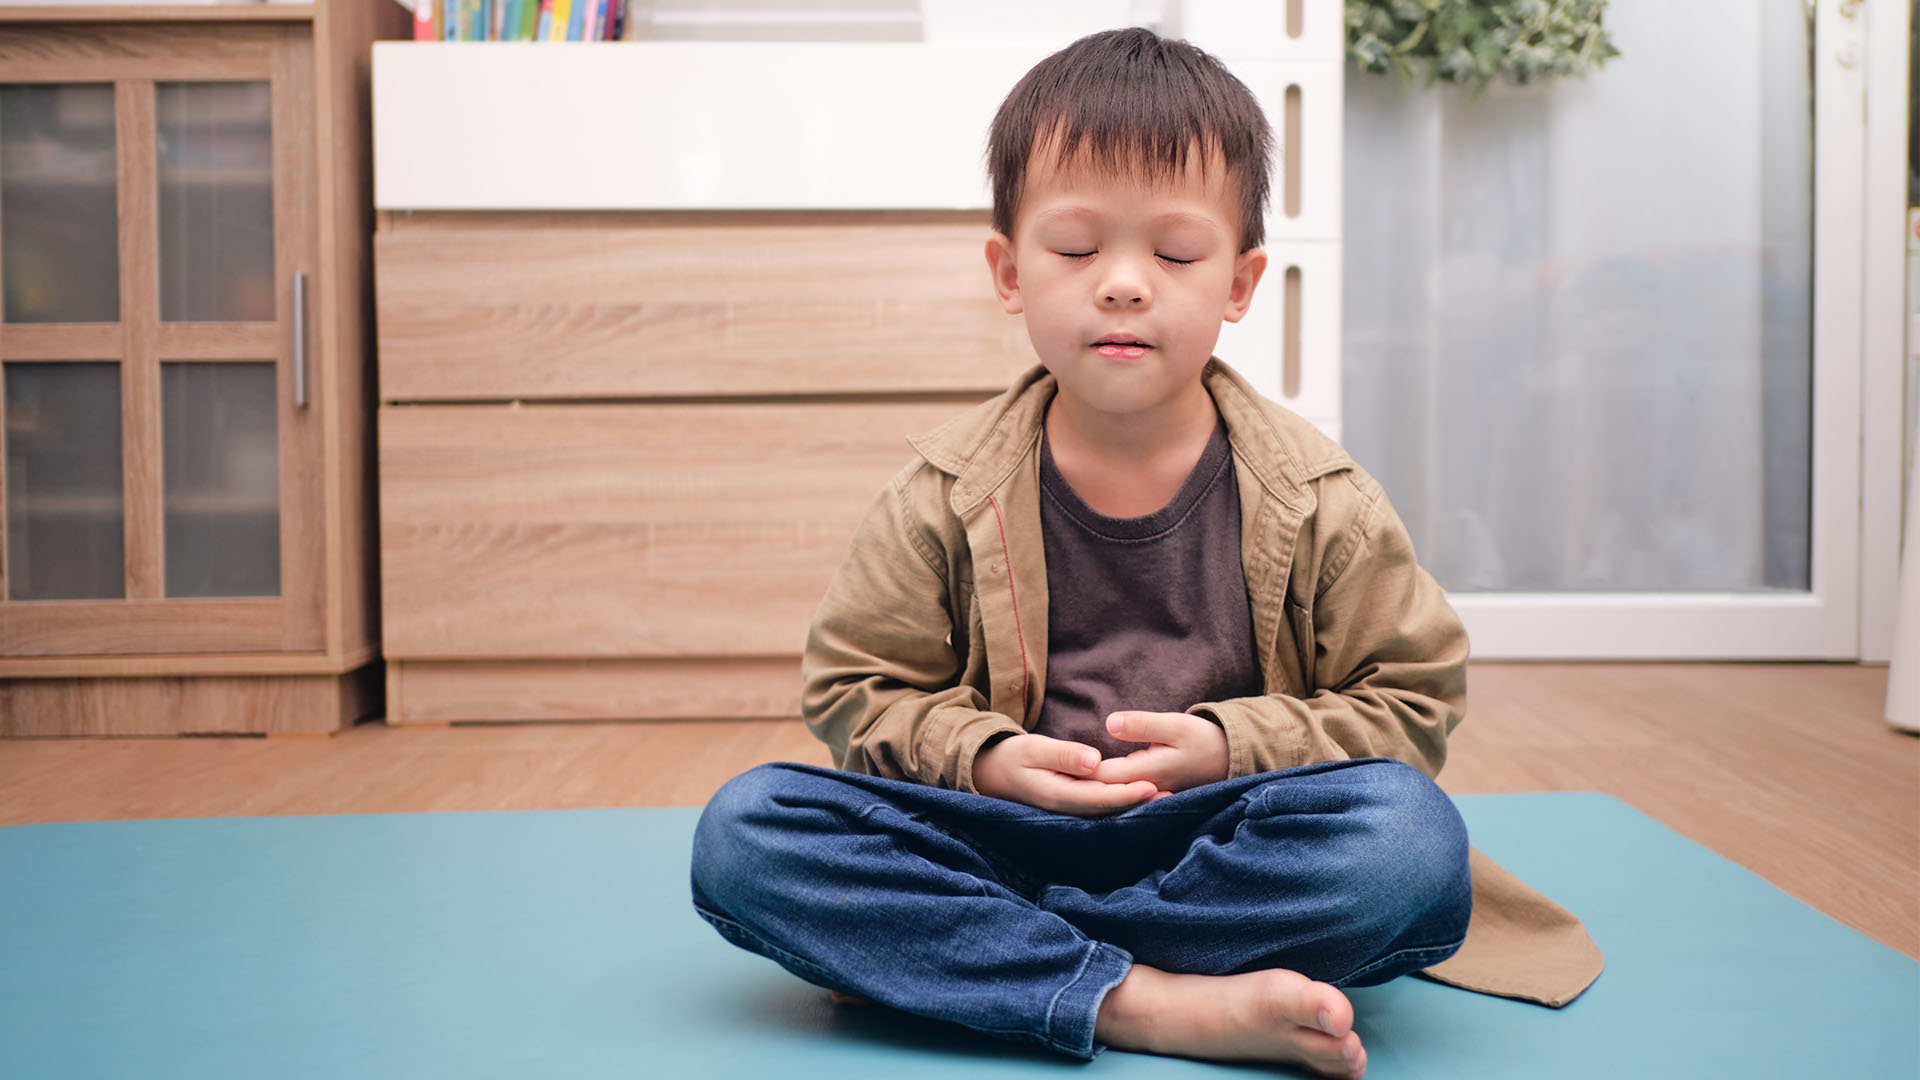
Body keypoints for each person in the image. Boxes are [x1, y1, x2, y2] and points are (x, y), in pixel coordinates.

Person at [690, 27, 1601, 1079]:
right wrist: (983, 759)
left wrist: (1229, 749)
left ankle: (978, 959)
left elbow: (1411, 702)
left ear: (1240, 282)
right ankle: (1150, 1003)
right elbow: (854, 689)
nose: (1124, 285)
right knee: (747, 830)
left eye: (1173, 254)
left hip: (1219, 845)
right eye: (1077, 249)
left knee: (1408, 846)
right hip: (1000, 835)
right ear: (1009, 271)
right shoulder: (943, 492)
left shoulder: (1322, 502)